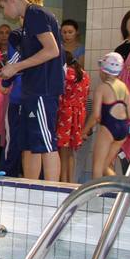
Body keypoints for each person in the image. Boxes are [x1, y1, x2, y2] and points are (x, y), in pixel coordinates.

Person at [0, 0, 65, 181]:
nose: (4, 12)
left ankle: (52, 191)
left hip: (43, 89)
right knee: (32, 143)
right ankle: (31, 186)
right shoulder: (29, 20)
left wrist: (16, 67)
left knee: (46, 142)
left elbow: (52, 50)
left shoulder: (35, 14)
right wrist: (10, 69)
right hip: (33, 88)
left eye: (3, 7)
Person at [85, 53, 130, 179]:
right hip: (123, 129)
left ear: (103, 70)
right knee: (105, 166)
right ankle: (121, 188)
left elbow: (95, 115)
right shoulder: (124, 88)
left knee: (97, 168)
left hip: (109, 128)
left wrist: (84, 131)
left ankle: (96, 192)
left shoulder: (102, 88)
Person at [57, 51, 90, 183]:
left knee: (62, 150)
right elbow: (85, 96)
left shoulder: (64, 74)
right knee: (71, 150)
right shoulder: (84, 74)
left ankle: (62, 181)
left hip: (65, 113)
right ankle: (70, 181)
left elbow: (59, 94)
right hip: (79, 114)